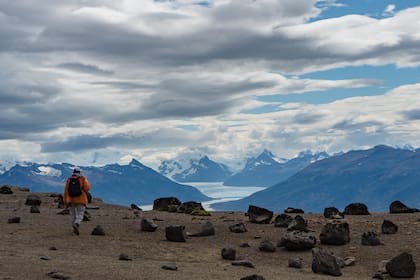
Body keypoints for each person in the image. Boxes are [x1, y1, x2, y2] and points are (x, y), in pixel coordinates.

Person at [63, 167, 91, 235]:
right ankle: (77, 223)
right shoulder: (82, 179)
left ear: (73, 172)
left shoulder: (69, 180)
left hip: (71, 199)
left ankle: (74, 228)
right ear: (79, 172)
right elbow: (87, 188)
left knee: (73, 214)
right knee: (80, 214)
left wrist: (66, 201)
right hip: (81, 199)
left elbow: (66, 191)